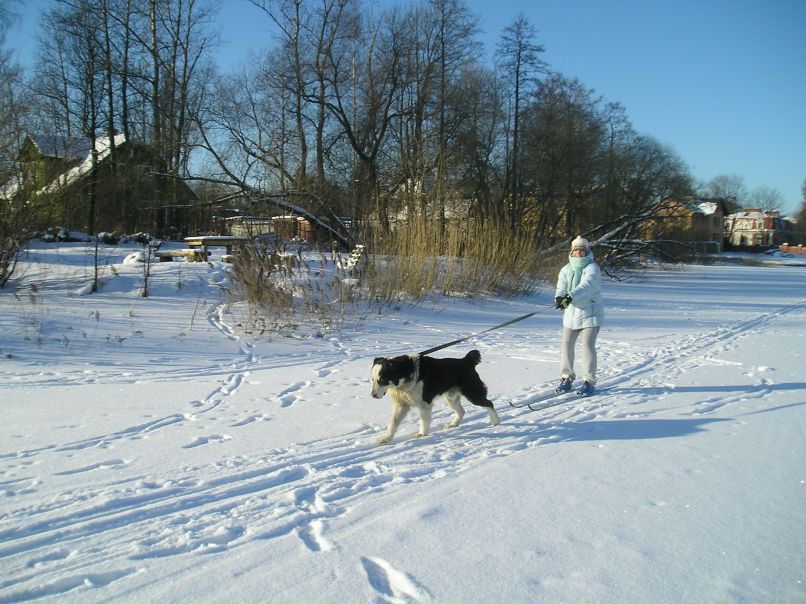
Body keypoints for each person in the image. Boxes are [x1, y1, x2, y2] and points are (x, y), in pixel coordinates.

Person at [553, 236, 604, 397]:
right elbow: (561, 286)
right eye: (575, 252)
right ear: (571, 253)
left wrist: (570, 296)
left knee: (587, 345)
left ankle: (589, 381)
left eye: (581, 252)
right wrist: (560, 298)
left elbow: (586, 286)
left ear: (586, 253)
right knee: (566, 344)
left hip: (591, 313)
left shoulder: (592, 268)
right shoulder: (566, 269)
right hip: (572, 315)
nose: (578, 255)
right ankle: (566, 377)